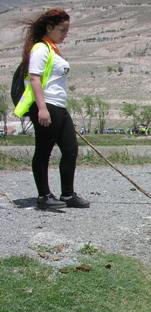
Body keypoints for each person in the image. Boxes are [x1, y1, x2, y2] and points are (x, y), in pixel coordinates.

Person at [14, 8, 89, 209]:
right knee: (44, 151)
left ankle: (67, 194)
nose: (65, 34)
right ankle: (44, 196)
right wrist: (42, 109)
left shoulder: (53, 49)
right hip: (47, 105)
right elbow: (35, 79)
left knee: (71, 149)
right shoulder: (40, 48)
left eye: (67, 30)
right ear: (49, 28)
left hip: (60, 106)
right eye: (62, 30)